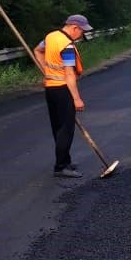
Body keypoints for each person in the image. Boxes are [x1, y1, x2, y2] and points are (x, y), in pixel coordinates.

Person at [33, 14, 93, 178]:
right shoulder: (67, 46)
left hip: (50, 89)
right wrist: (77, 99)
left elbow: (37, 51)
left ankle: (65, 161)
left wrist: (46, 70)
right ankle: (60, 167)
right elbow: (69, 75)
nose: (82, 35)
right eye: (82, 31)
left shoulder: (51, 37)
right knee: (66, 129)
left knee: (58, 128)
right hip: (63, 90)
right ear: (74, 28)